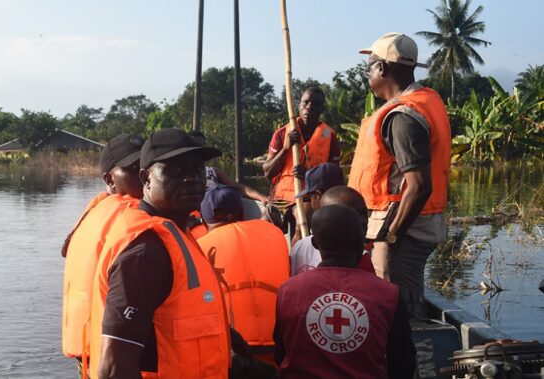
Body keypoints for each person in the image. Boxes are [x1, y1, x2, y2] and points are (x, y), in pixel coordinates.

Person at [88, 128, 230, 379]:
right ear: (146, 178)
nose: (191, 179)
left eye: (197, 170)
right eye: (174, 171)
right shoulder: (145, 252)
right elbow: (114, 367)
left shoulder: (176, 233)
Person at [349, 32, 451, 317]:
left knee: (399, 307)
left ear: (382, 68)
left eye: (369, 66)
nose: (367, 73)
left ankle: (408, 359)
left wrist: (390, 238)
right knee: (399, 298)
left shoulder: (403, 115)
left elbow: (419, 186)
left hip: (402, 229)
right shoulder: (426, 100)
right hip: (413, 225)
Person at [274, 205, 416, 378]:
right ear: (360, 241)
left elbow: (280, 353)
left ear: (316, 244)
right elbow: (403, 362)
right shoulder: (389, 294)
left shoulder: (288, 291)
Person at [61, 134, 144, 376]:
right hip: (109, 351)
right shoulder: (130, 215)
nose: (143, 174)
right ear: (109, 178)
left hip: (87, 348)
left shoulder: (94, 210)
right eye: (133, 168)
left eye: (147, 165)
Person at [196, 185, 289, 367]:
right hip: (279, 344)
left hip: (234, 349)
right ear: (241, 212)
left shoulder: (198, 246)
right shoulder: (274, 233)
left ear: (204, 221)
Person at [263, 87, 341, 237]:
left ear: (322, 109)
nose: (309, 107)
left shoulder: (330, 137)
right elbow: (267, 172)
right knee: (265, 223)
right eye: (305, 103)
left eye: (315, 104)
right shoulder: (282, 134)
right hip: (281, 197)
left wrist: (308, 175)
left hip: (309, 196)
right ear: (299, 106)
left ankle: (297, 259)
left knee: (302, 220)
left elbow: (334, 177)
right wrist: (285, 149)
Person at [290, 184, 375, 276]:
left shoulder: (362, 258)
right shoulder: (300, 248)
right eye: (354, 214)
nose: (363, 220)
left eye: (365, 213)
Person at [187, 130, 268, 204]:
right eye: (194, 147)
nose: (198, 151)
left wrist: (261, 197)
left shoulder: (213, 172)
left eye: (201, 147)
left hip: (217, 211)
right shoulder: (182, 176)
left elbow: (242, 189)